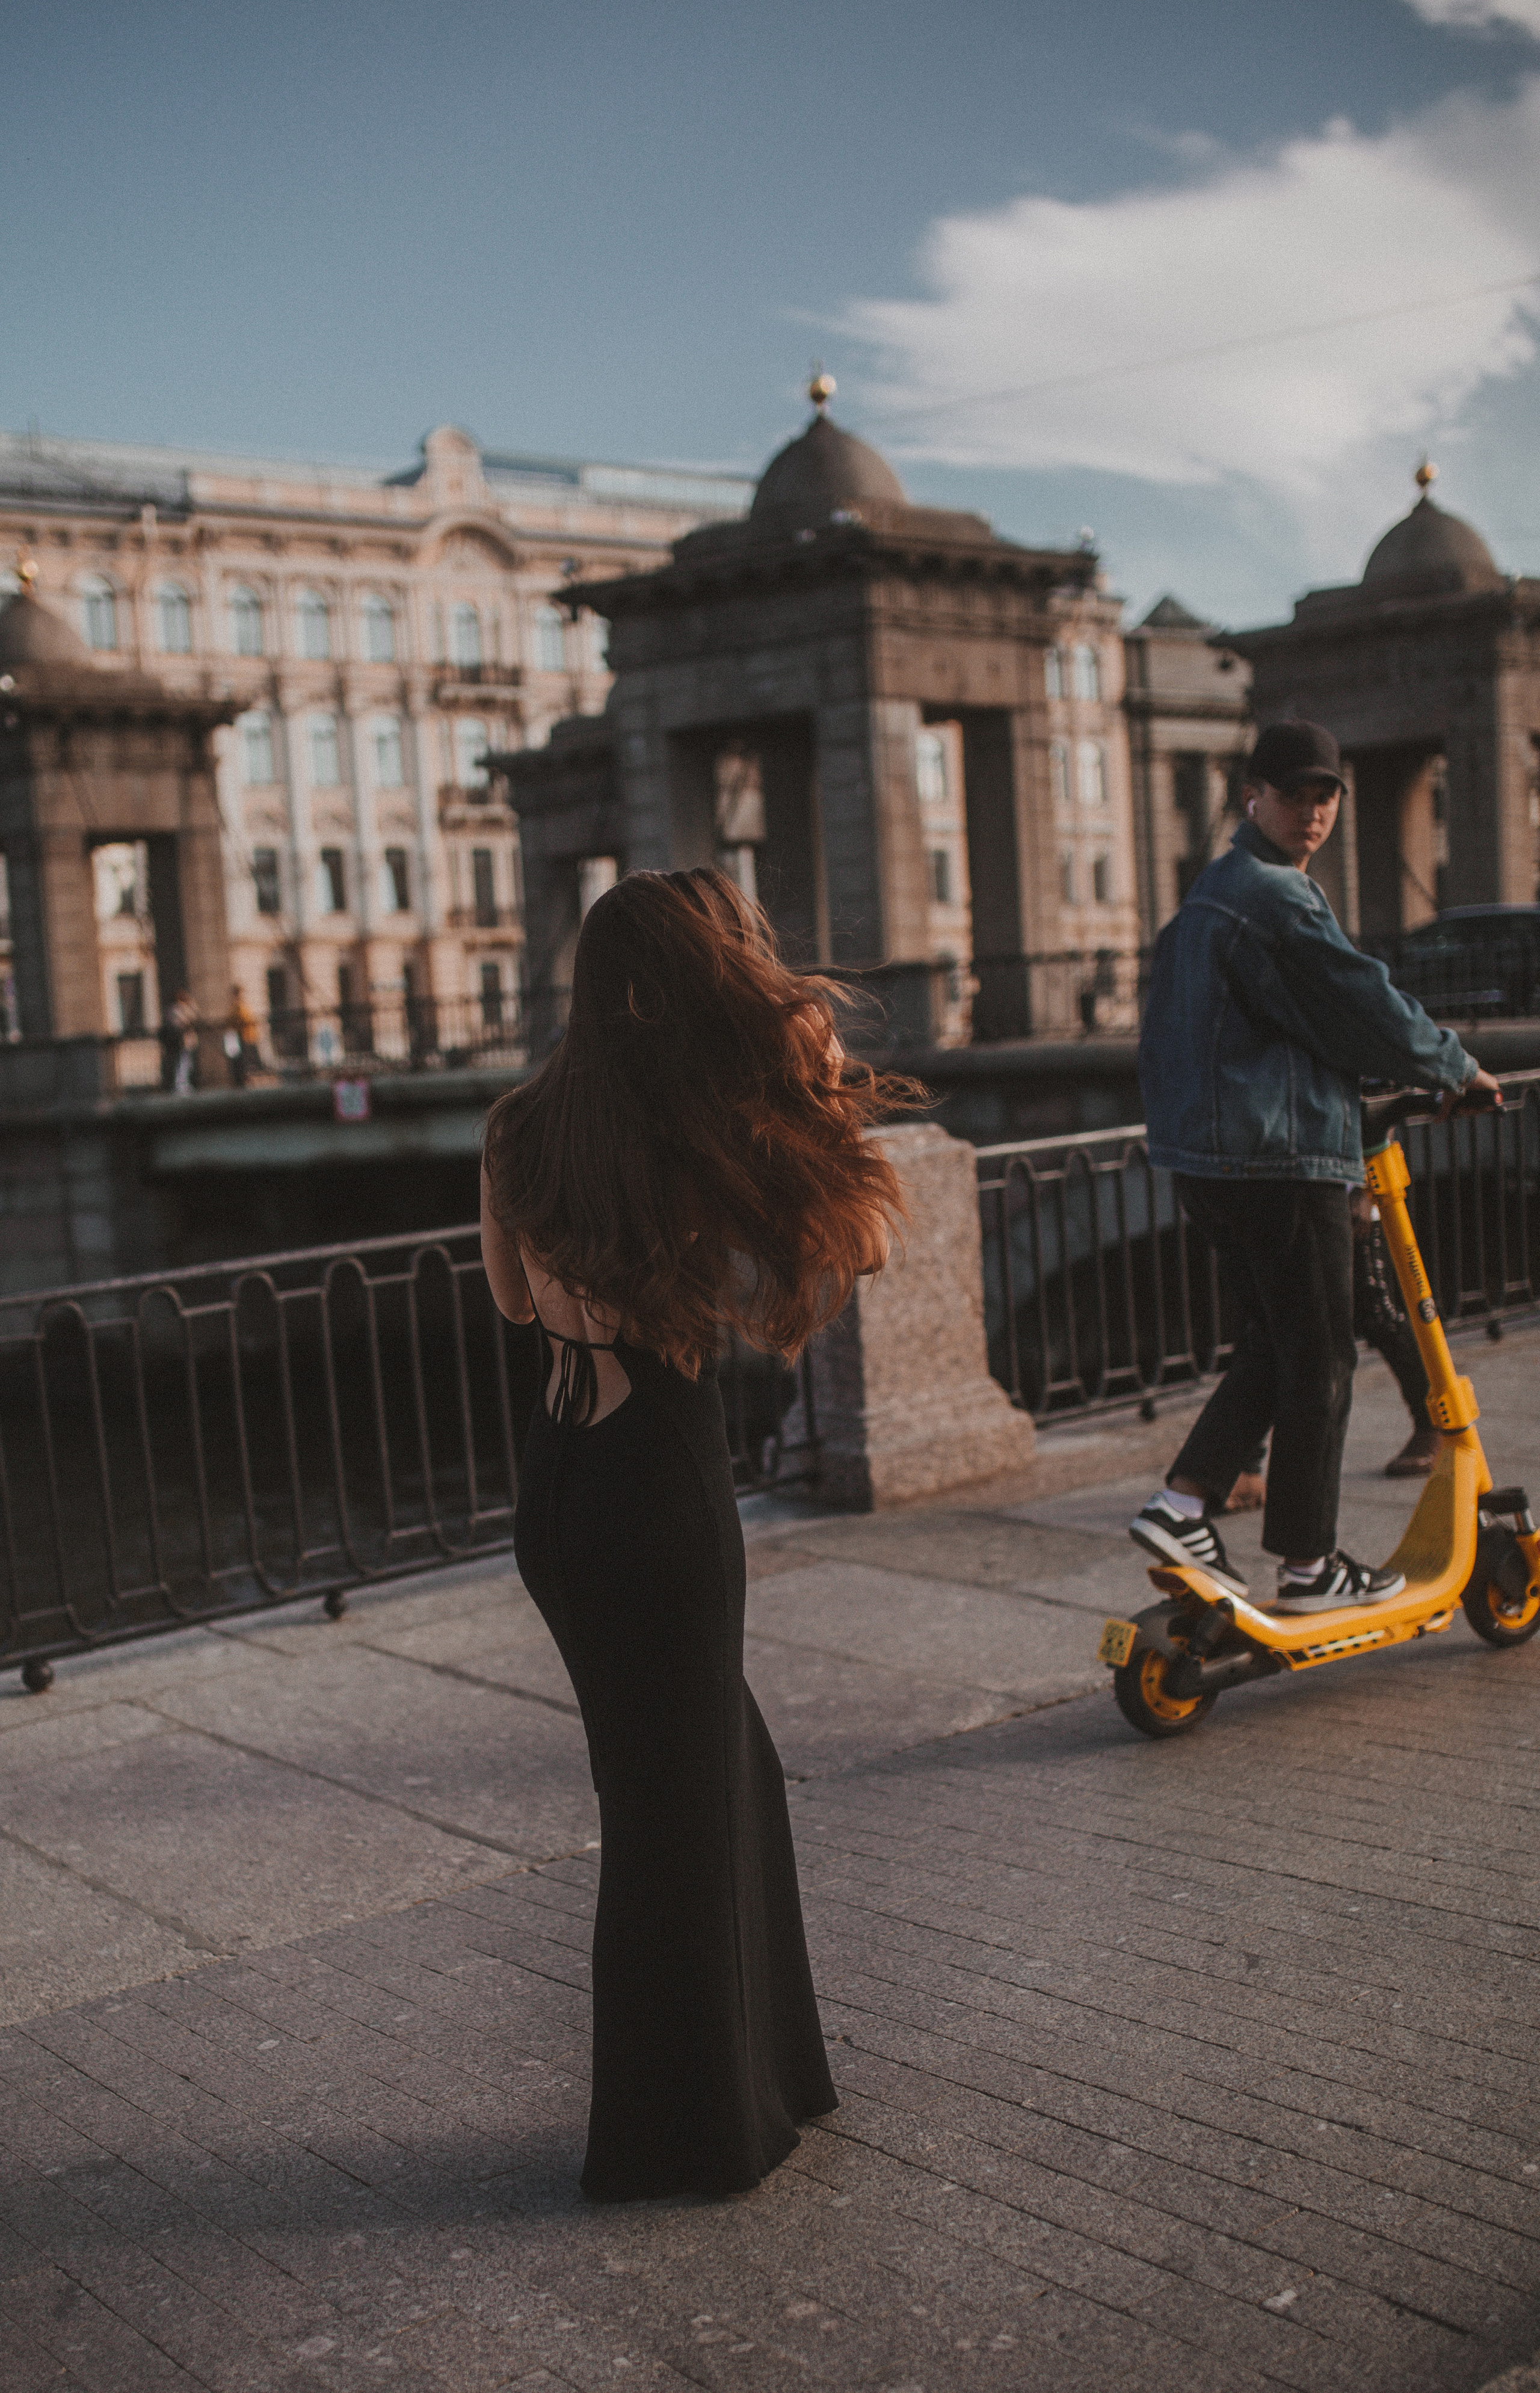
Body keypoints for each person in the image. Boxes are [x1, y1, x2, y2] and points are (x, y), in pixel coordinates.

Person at [479, 866, 910, 2201]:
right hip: (658, 1494)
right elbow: (848, 1269)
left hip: (556, 1490)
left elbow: (507, 1300)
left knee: (723, 1774)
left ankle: (769, 2074)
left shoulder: (517, 1122)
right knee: (670, 1815)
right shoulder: (692, 1132)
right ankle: (682, 2138)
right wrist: (819, 1084)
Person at [1129, 719, 1498, 1615]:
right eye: (1295, 793)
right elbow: (1357, 998)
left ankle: (1182, 1504)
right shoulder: (1275, 897)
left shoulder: (1210, 893)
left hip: (1212, 1160)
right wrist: (1452, 1067)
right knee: (1324, 1354)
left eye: (1327, 794)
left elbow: (1272, 1027)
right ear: (1251, 795)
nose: (1315, 810)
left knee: (1276, 1344)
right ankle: (1307, 1564)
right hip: (1276, 1163)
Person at [224, 984, 261, 1088]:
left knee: (248, 1060)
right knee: (242, 1061)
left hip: (248, 1037)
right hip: (242, 1037)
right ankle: (243, 1080)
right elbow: (234, 1022)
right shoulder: (236, 1008)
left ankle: (248, 1079)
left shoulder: (243, 1006)